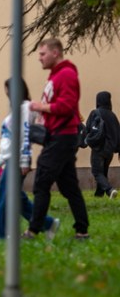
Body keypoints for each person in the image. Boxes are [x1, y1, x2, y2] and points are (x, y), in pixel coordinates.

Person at [24, 38, 89, 240]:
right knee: (69, 187)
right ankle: (82, 230)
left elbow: (68, 107)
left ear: (55, 52)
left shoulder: (67, 75)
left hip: (63, 137)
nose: (39, 58)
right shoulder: (55, 76)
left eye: (42, 54)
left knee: (42, 182)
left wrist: (39, 107)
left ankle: (33, 230)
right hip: (57, 136)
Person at [0, 78, 59, 241]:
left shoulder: (25, 109)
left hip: (17, 160)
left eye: (7, 90)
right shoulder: (18, 110)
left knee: (3, 199)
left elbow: (25, 135)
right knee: (17, 199)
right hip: (11, 159)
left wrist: (24, 160)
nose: (6, 93)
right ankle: (48, 223)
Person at [85, 91, 120, 199]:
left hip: (99, 148)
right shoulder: (113, 116)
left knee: (96, 172)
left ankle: (110, 190)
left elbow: (88, 128)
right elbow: (118, 134)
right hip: (110, 151)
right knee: (103, 172)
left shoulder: (95, 113)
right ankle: (99, 195)